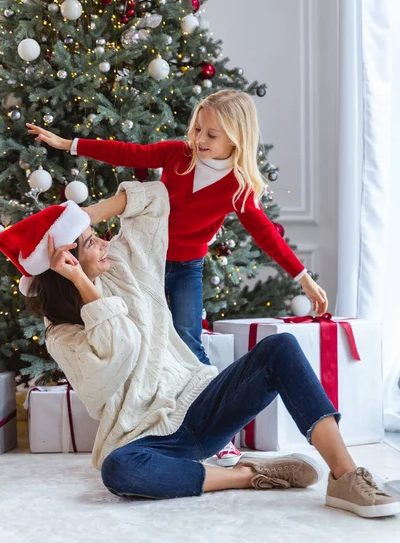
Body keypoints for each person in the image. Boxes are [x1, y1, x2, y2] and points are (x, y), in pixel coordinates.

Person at [0, 179, 398, 518]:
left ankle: (345, 476)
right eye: (90, 241)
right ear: (66, 261)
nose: (104, 241)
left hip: (201, 400)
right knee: (117, 471)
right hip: (148, 438)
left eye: (96, 232)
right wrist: (86, 288)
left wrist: (83, 218)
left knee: (281, 347)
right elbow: (119, 354)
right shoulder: (62, 334)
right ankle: (248, 476)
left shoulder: (123, 260)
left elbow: (154, 197)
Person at [26, 89, 328, 466]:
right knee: (142, 329)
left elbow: (265, 233)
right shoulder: (177, 154)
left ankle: (222, 435)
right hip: (144, 260)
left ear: (237, 137)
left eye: (212, 135)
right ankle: (149, 415)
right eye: (198, 129)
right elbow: (128, 153)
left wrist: (302, 276)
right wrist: (69, 143)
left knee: (188, 337)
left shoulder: (238, 187)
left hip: (187, 268)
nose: (199, 140)